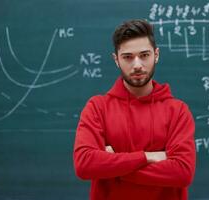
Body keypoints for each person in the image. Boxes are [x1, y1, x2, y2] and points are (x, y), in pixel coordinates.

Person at [73, 19, 196, 200]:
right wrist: (147, 157)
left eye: (144, 55)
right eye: (128, 57)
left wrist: (112, 168)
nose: (137, 64)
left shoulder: (178, 111)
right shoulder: (97, 108)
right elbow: (84, 165)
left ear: (156, 55)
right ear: (116, 60)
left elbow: (182, 172)